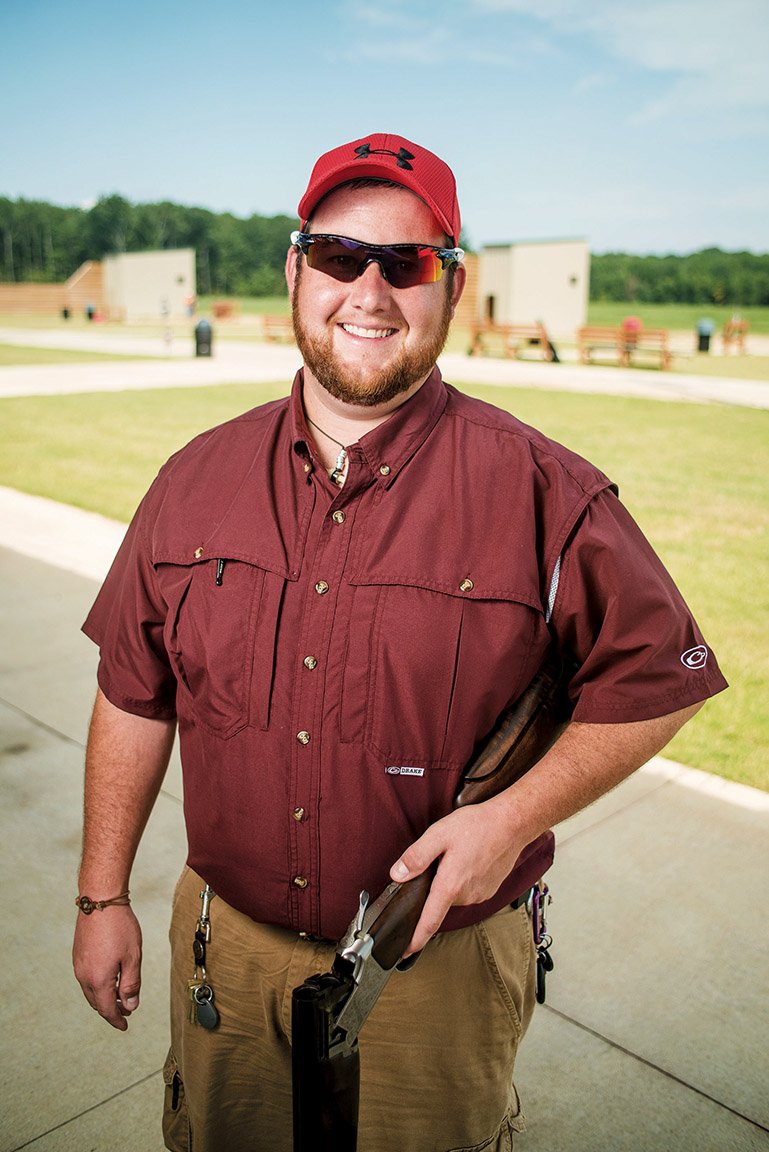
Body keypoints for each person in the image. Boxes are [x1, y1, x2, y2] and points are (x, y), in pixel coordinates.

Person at [72, 132, 727, 1152]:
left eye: (407, 263)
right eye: (340, 256)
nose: (369, 292)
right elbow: (130, 692)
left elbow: (666, 677)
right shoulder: (190, 480)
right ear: (295, 272)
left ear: (451, 289)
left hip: (437, 974)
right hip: (227, 956)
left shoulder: (546, 492)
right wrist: (101, 894)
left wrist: (510, 819)